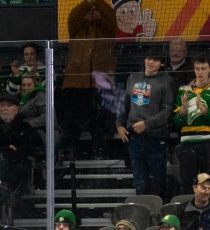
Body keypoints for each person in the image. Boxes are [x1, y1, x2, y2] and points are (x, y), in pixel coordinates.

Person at [60, 0, 117, 158]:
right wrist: (88, 3)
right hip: (76, 82)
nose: (92, 13)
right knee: (74, 119)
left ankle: (101, 151)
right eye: (88, 11)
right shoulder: (76, 29)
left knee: (101, 121)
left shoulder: (106, 30)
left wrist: (97, 3)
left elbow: (110, 17)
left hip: (102, 81)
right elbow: (74, 17)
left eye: (95, 11)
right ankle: (73, 152)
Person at [118, 47, 174, 200]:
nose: (151, 62)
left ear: (162, 64)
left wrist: (147, 124)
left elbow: (168, 111)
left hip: (156, 138)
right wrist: (119, 124)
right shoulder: (132, 78)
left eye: (155, 60)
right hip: (134, 138)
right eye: (149, 58)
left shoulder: (166, 80)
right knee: (140, 182)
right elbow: (124, 105)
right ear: (144, 59)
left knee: (157, 182)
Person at [173, 56, 210, 196]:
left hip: (209, 143)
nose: (200, 72)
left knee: (209, 182)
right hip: (187, 142)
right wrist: (183, 110)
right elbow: (177, 122)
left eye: (203, 69)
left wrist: (204, 110)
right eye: (197, 68)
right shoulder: (183, 90)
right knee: (187, 183)